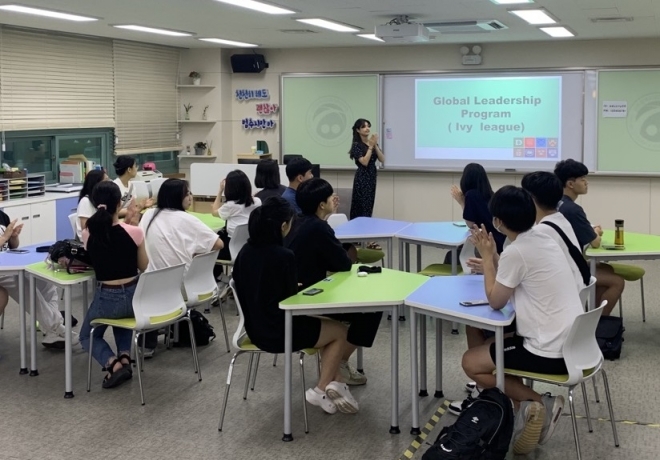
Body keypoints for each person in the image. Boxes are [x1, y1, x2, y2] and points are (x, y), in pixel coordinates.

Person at [461, 186, 583, 455]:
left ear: (498, 222)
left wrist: (487, 259)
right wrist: (493, 256)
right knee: (492, 344)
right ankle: (521, 407)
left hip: (548, 349)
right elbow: (517, 271)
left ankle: (540, 402)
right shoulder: (541, 236)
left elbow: (496, 300)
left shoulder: (517, 252)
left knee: (471, 362)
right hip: (574, 342)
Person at [232, 196, 359, 414]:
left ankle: (336, 383)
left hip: (254, 329)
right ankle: (320, 390)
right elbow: (292, 302)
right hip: (281, 330)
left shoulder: (244, 253)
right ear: (283, 226)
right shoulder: (283, 256)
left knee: (326, 329)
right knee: (339, 331)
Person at [285, 178, 380, 386]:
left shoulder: (296, 222)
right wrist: (352, 252)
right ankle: (340, 362)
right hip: (312, 298)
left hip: (294, 293)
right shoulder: (319, 228)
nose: (334, 199)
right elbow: (344, 264)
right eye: (330, 197)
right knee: (372, 309)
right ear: (321, 204)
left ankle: (337, 362)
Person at [139, 179, 224, 358]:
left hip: (148, 286)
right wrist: (195, 252)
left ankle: (146, 343)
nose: (191, 197)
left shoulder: (148, 214)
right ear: (177, 197)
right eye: (187, 194)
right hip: (183, 287)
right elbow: (219, 243)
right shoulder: (187, 219)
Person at [79, 181, 148, 389]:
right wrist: (133, 227)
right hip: (135, 298)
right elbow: (144, 266)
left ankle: (113, 364)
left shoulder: (88, 233)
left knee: (86, 336)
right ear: (120, 203)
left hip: (106, 297)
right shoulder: (134, 232)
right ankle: (125, 357)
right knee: (124, 318)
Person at [554, 159, 624, 315]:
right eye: (583, 179)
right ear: (571, 184)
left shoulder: (557, 203)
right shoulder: (573, 209)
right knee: (617, 282)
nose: (587, 182)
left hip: (562, 261)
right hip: (570, 267)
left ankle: (593, 314)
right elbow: (595, 243)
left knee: (606, 268)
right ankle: (597, 325)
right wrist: (596, 232)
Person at [0, 213, 74, 349]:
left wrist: (14, 237)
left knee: (44, 281)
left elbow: (12, 247)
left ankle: (52, 330)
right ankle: (55, 328)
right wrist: (4, 237)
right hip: (3, 272)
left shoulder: (2, 216)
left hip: (5, 265)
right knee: (21, 283)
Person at [521, 171, 587, 293]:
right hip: (573, 293)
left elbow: (521, 272)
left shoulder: (540, 231)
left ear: (531, 198)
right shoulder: (560, 219)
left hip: (559, 297)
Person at [450, 163, 505, 253]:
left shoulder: (471, 195)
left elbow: (470, 224)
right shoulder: (490, 194)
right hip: (499, 240)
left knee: (452, 254)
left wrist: (461, 202)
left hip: (487, 243)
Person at [211, 170, 261, 262]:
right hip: (253, 244)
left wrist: (220, 191)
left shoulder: (230, 206)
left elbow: (214, 212)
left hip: (231, 246)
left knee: (211, 247)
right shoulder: (257, 202)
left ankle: (219, 275)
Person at [349, 118, 384, 220]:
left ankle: (367, 225)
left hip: (372, 176)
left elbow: (382, 159)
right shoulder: (356, 145)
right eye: (363, 127)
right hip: (362, 177)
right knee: (361, 205)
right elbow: (364, 162)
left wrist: (375, 145)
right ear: (358, 130)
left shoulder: (372, 143)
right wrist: (370, 147)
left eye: (368, 126)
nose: (367, 128)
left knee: (369, 205)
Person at [76, 169, 107, 240]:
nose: (108, 183)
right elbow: (85, 228)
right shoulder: (85, 201)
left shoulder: (100, 199)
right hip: (89, 241)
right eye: (106, 180)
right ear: (97, 183)